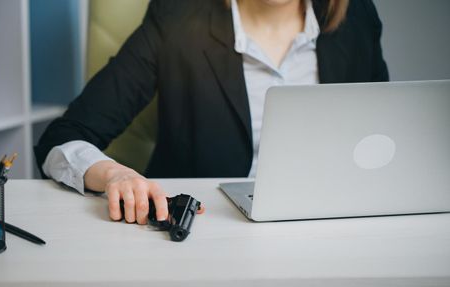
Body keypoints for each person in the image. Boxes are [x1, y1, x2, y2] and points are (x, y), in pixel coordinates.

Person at [35, 0, 388, 225]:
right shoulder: (175, 16)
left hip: (329, 224)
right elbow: (60, 139)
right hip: (206, 229)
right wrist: (113, 175)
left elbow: (381, 137)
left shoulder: (356, 16)